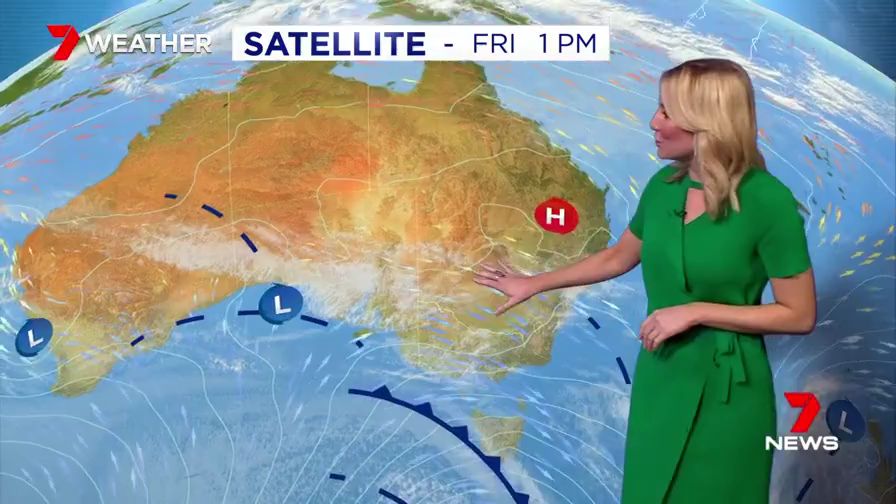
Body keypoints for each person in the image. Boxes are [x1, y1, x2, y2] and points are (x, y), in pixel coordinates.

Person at [472, 58, 817, 503]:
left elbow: (799, 314)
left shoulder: (768, 202)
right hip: (663, 373)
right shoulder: (663, 187)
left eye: (667, 112)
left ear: (707, 121)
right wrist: (534, 282)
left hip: (729, 390)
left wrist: (695, 311)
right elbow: (619, 256)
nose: (654, 122)